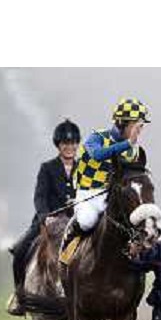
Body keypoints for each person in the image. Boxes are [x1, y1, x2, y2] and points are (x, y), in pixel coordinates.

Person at [6, 119, 80, 316]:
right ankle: (19, 297)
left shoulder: (84, 169)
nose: (69, 147)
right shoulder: (47, 168)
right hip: (49, 222)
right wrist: (45, 217)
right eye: (65, 144)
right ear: (59, 145)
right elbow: (40, 196)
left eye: (73, 144)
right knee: (20, 249)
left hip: (76, 222)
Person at [60, 97, 149, 251]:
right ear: (123, 123)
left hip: (112, 196)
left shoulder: (132, 150)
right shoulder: (97, 137)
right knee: (87, 222)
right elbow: (98, 155)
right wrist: (127, 143)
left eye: (141, 127)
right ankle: (66, 246)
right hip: (87, 193)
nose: (139, 131)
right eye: (137, 126)